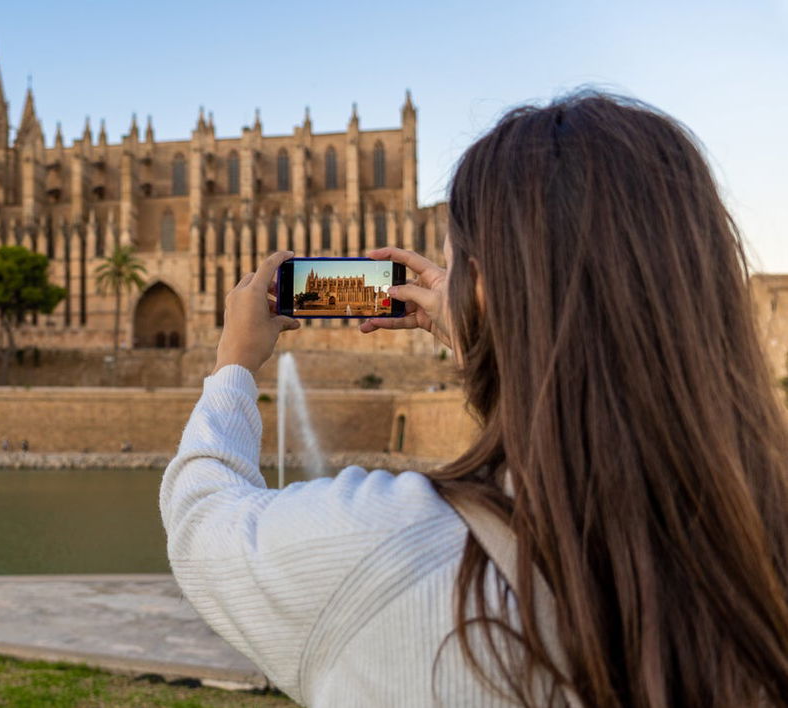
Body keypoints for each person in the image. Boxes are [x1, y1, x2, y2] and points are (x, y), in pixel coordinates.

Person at [160, 92, 788, 707]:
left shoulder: (384, 545)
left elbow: (202, 521)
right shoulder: (760, 548)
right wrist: (491, 340)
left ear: (480, 288)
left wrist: (233, 362)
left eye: (457, 263)